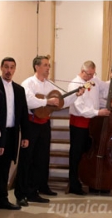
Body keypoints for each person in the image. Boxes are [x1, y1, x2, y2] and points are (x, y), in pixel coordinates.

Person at [19, 55, 69, 204]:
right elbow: (29, 101)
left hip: (44, 124)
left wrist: (76, 95)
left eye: (49, 65)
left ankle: (36, 189)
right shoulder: (28, 83)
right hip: (31, 124)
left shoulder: (49, 84)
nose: (48, 68)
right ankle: (22, 193)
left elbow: (62, 100)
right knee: (27, 158)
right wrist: (47, 101)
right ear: (37, 67)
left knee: (41, 158)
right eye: (46, 65)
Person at [0, 57, 28, 211]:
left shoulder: (19, 89)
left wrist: (25, 136)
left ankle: (2, 199)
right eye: (6, 67)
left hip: (12, 133)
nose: (9, 70)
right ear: (1, 69)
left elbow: (23, 114)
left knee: (5, 169)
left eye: (12, 67)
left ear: (15, 69)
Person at [66, 61, 104, 195]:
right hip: (79, 124)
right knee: (76, 156)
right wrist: (98, 112)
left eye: (94, 74)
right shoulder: (74, 84)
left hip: (92, 123)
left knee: (90, 155)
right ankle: (74, 185)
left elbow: (98, 98)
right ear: (83, 71)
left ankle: (91, 182)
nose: (92, 77)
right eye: (90, 74)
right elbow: (80, 108)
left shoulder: (93, 80)